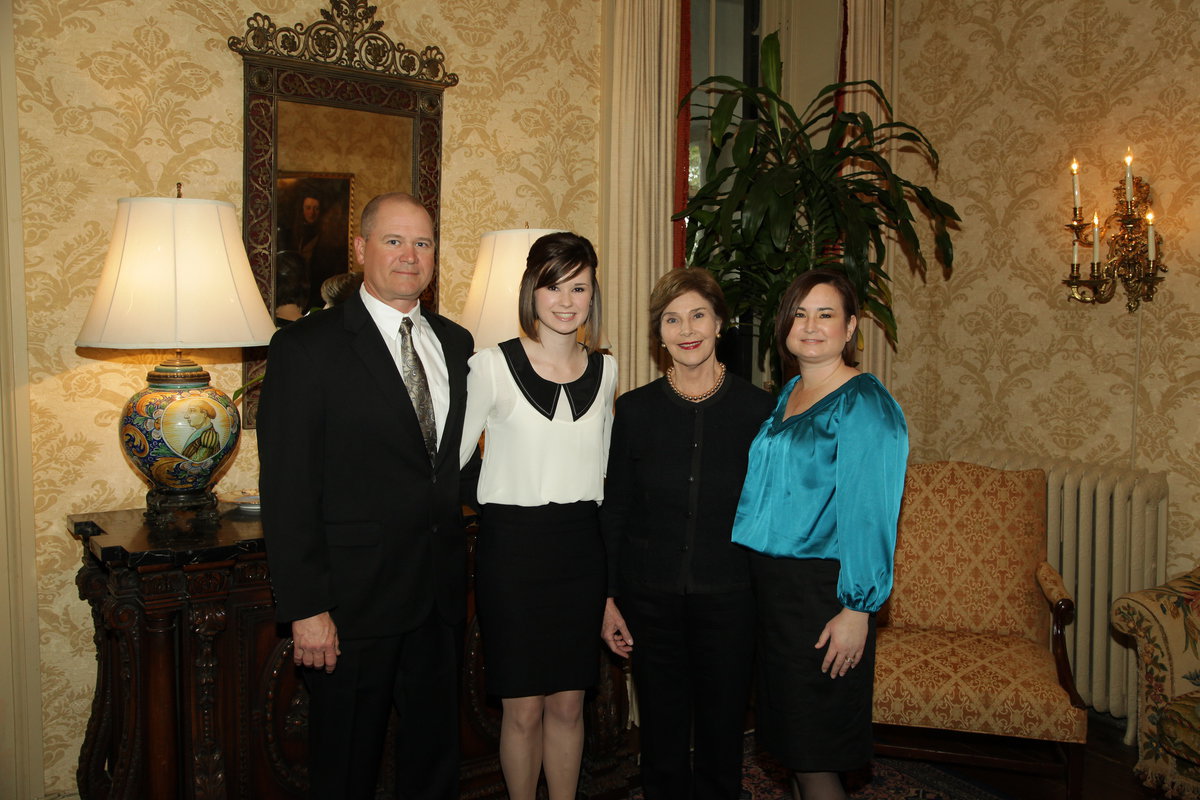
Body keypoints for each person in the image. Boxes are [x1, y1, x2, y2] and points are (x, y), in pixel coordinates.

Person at [258, 192, 476, 800]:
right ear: (360, 248)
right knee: (345, 771)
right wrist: (305, 609)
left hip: (437, 600)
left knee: (434, 767)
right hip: (350, 609)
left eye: (424, 243)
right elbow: (287, 490)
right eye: (393, 240)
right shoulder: (307, 348)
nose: (410, 255)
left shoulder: (457, 345)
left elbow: (457, 468)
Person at [731, 268, 908, 800]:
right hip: (776, 595)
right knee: (792, 750)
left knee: (815, 756)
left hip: (823, 597)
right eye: (800, 314)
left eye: (826, 314)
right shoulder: (790, 392)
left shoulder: (864, 403)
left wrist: (858, 609)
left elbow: (871, 513)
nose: (810, 326)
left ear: (851, 327)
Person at [600, 268, 773, 799]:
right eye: (672, 320)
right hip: (649, 600)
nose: (687, 329)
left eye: (698, 315)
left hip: (731, 599)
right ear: (659, 334)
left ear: (720, 322)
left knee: (723, 740)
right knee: (661, 740)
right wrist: (606, 598)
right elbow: (616, 510)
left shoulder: (759, 411)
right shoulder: (633, 410)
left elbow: (770, 513)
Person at [459, 231, 617, 800]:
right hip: (513, 551)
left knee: (570, 704)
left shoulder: (608, 370)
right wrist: (498, 499)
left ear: (592, 292)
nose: (567, 300)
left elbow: (604, 477)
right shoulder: (491, 365)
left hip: (581, 549)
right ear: (532, 289)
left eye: (579, 286)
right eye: (554, 286)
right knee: (522, 709)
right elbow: (451, 465)